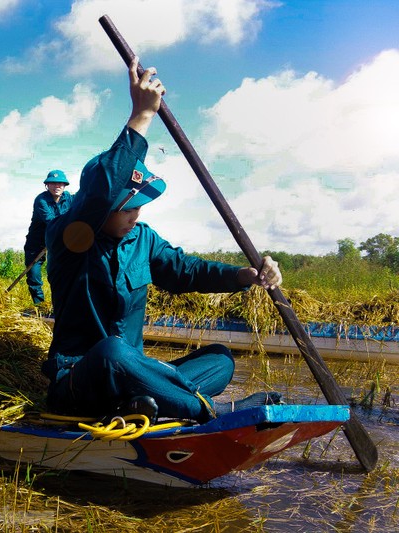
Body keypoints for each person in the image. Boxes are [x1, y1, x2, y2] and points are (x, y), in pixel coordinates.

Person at [42, 58, 283, 423]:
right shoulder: (70, 236)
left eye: (139, 207)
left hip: (131, 375)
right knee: (113, 352)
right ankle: (209, 411)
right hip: (83, 379)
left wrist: (245, 276)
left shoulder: (142, 239)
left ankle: (150, 399)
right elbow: (101, 189)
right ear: (100, 206)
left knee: (219, 359)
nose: (135, 214)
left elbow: (187, 271)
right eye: (126, 208)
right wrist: (141, 116)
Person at [22, 170, 73, 306]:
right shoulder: (41, 200)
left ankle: (59, 306)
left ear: (64, 186)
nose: (57, 186)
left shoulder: (69, 198)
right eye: (53, 183)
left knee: (58, 275)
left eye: (60, 184)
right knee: (34, 276)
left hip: (57, 243)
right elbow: (51, 222)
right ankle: (39, 306)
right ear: (47, 185)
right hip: (37, 244)